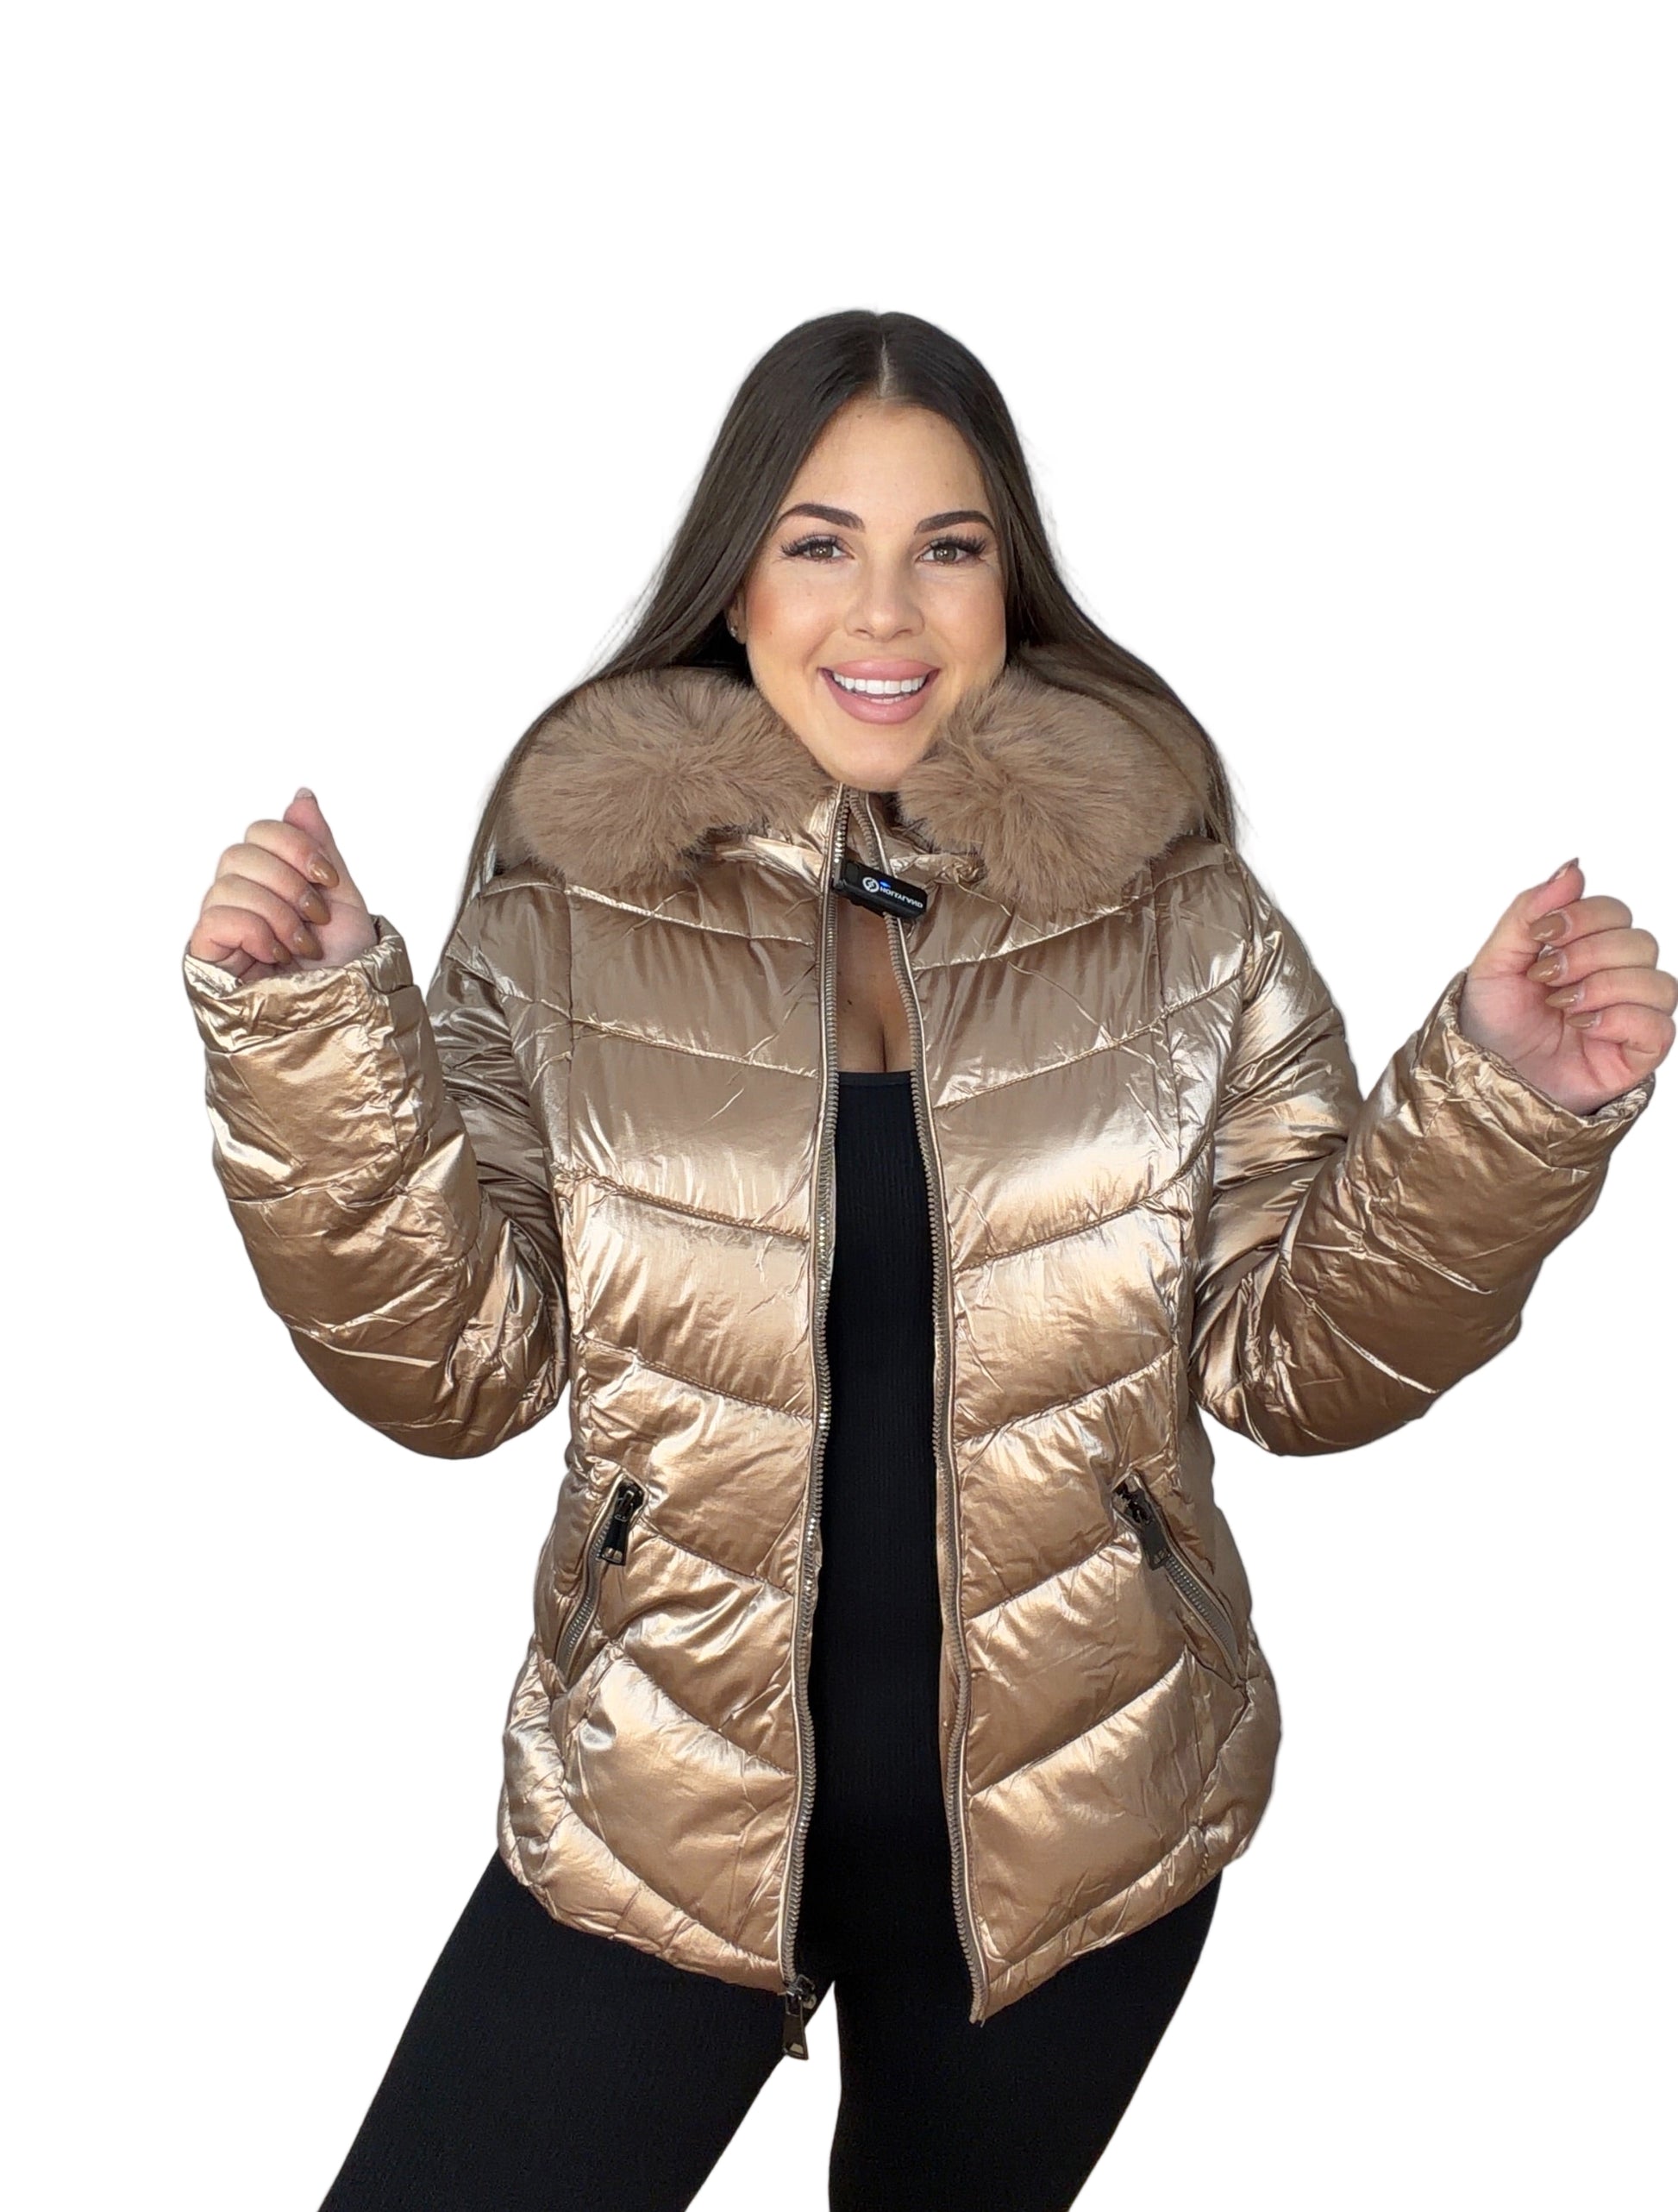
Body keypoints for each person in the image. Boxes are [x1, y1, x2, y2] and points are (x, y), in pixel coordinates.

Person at [181, 310, 1670, 2212]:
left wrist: (1499, 1110)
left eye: (944, 547)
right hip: (660, 1811)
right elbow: (452, 1371)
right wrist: (314, 1039)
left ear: (1005, 581)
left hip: (1071, 1839)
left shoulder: (1177, 916)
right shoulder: (567, 919)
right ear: (736, 583)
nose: (882, 611)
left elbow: (1298, 1367)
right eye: (819, 543)